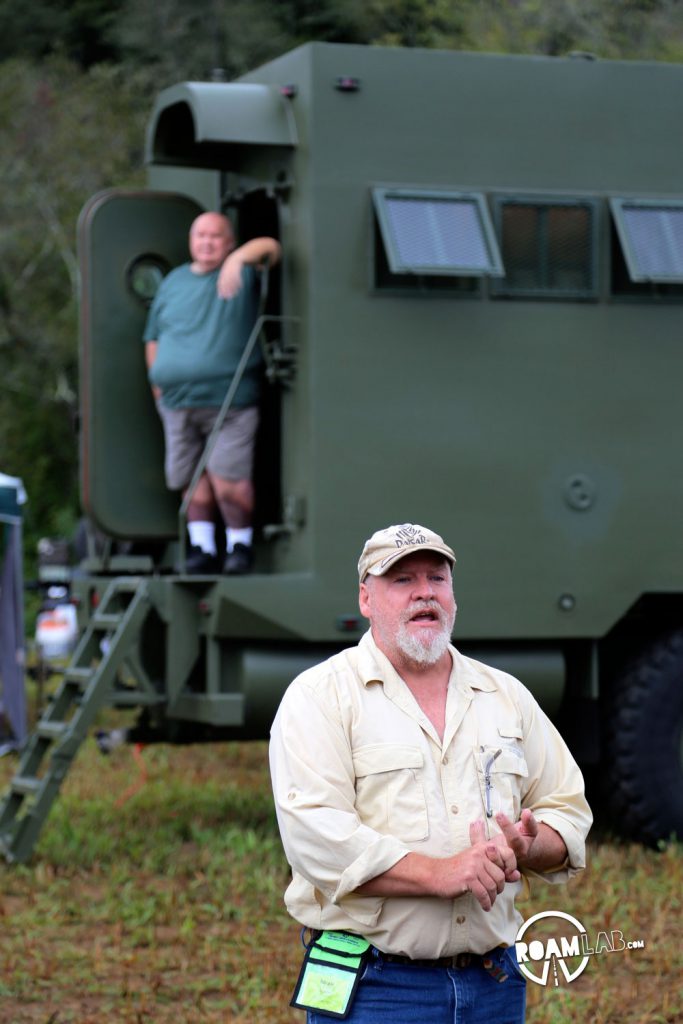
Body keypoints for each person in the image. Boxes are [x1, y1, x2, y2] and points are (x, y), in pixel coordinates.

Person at [269, 523, 592, 1024]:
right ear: (366, 598)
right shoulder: (320, 697)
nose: (424, 592)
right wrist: (441, 873)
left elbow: (566, 808)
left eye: (436, 578)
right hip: (376, 989)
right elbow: (316, 837)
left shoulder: (504, 696)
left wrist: (531, 846)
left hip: (495, 983)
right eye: (402, 580)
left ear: (452, 595)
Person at [143, 211, 281, 574]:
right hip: (175, 403)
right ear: (191, 240)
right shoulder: (173, 282)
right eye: (200, 235)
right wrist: (159, 388)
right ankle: (202, 550)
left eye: (216, 236)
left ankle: (240, 546)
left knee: (229, 483)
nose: (207, 242)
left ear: (229, 241)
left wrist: (237, 260)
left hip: (230, 402)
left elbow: (271, 248)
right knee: (190, 483)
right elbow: (154, 337)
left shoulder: (243, 271)